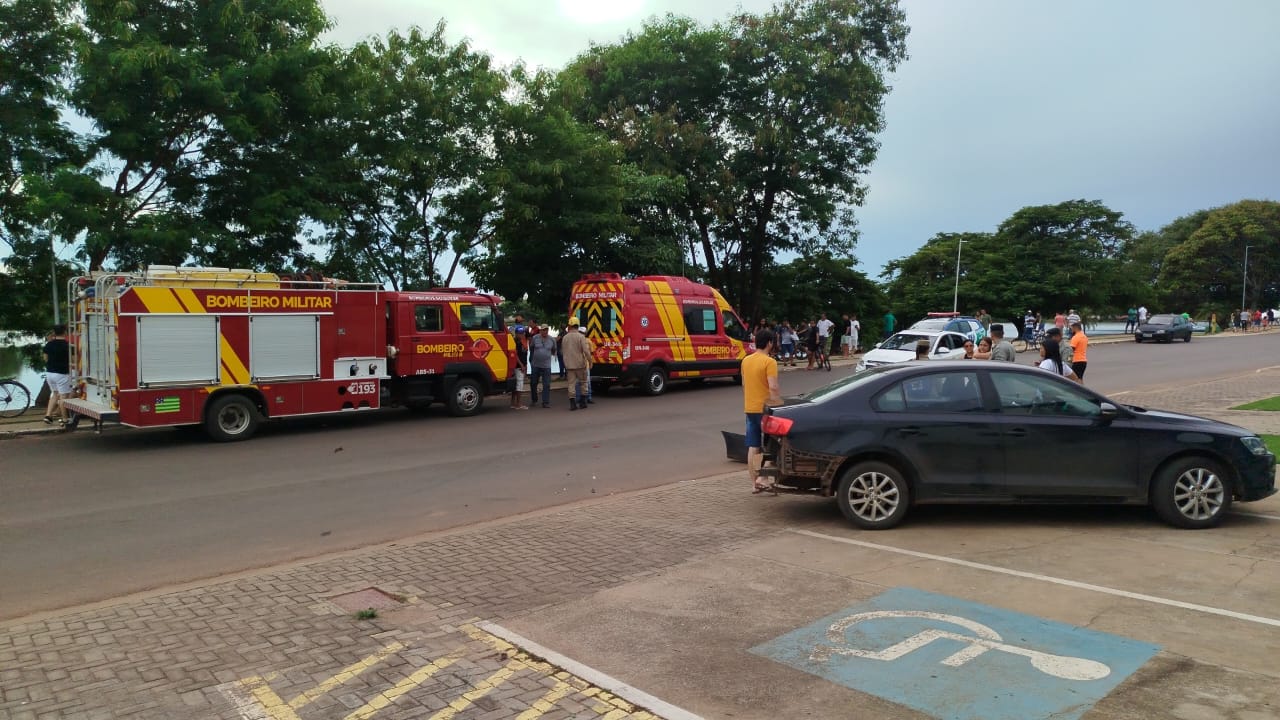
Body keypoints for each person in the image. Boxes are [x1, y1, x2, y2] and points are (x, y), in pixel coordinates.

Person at [742, 329, 782, 494]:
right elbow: (773, 386)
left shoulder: (746, 361)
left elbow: (744, 384)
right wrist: (777, 404)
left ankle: (755, 483)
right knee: (775, 443)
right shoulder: (769, 362)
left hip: (750, 408)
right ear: (769, 343)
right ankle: (763, 478)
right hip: (765, 409)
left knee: (754, 446)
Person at [42, 324, 72, 425]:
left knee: (55, 394)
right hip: (62, 374)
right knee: (63, 397)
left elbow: (45, 358)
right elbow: (73, 359)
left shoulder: (49, 344)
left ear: (54, 332)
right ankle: (65, 419)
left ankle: (48, 415)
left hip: (49, 373)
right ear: (65, 332)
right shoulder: (67, 345)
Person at [560, 317, 592, 411]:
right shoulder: (581, 337)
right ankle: (583, 402)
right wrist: (590, 361)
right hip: (580, 364)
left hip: (569, 365)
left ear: (570, 325)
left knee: (571, 384)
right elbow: (586, 351)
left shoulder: (565, 337)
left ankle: (572, 404)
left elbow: (563, 351)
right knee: (583, 383)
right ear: (578, 325)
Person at [529, 325, 556, 408]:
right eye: (543, 330)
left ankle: (545, 402)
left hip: (546, 366)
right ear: (540, 331)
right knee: (533, 383)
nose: (545, 331)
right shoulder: (535, 338)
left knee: (546, 384)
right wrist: (532, 359)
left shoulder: (552, 339)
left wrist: (548, 355)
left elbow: (554, 350)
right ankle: (534, 399)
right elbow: (531, 348)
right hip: (535, 364)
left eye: (546, 330)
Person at [509, 326, 529, 410]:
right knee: (519, 385)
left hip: (521, 365)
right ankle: (518, 404)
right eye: (520, 333)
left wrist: (525, 364)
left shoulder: (522, 341)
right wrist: (521, 365)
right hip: (518, 366)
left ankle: (513, 403)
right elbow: (515, 355)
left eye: (523, 333)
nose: (522, 334)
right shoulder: (515, 342)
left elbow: (524, 354)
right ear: (516, 333)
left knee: (516, 385)